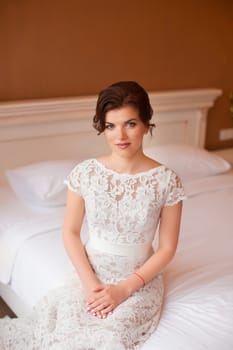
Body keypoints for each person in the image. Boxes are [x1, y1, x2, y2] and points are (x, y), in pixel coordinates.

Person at [0, 81, 185, 349]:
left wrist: (123, 289)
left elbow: (167, 249)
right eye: (111, 126)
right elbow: (70, 232)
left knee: (110, 338)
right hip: (91, 273)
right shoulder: (85, 173)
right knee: (65, 333)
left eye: (130, 123)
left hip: (139, 281)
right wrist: (90, 285)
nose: (120, 135)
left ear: (146, 124)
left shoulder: (167, 181)